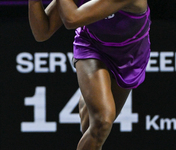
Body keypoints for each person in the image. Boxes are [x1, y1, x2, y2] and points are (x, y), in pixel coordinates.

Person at [28, 0, 151, 149]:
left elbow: (72, 19)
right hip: (92, 45)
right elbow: (42, 32)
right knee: (102, 122)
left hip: (130, 55)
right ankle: (94, 89)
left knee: (92, 129)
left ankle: (90, 96)